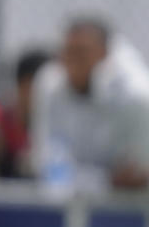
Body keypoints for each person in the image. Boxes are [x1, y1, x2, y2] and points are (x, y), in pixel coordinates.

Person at [31, 17, 149, 190]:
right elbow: (47, 164)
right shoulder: (49, 85)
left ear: (104, 55)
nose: (72, 62)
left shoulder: (135, 96)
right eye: (68, 52)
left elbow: (138, 174)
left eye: (82, 52)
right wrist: (107, 180)